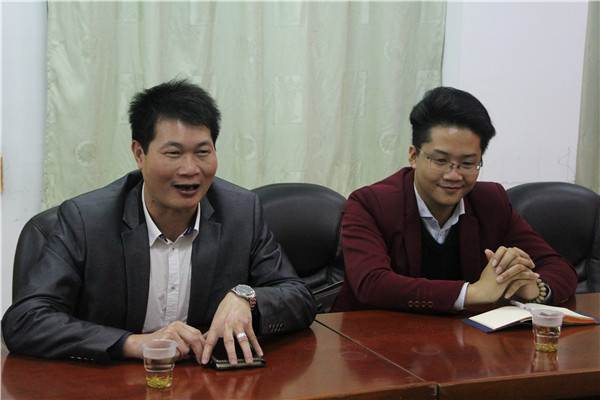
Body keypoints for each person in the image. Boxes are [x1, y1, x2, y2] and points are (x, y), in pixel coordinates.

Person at [2, 79, 317, 365]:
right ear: (139, 154)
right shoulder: (87, 220)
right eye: (174, 153)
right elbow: (25, 321)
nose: (190, 169)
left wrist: (246, 298)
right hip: (112, 383)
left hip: (206, 383)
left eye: (202, 152)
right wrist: (134, 343)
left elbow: (300, 298)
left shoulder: (241, 211)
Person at [331, 87, 577, 313]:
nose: (454, 175)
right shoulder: (370, 204)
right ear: (414, 156)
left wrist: (535, 289)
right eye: (440, 160)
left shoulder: (490, 202)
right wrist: (474, 293)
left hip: (462, 340)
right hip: (373, 339)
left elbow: (558, 267)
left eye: (468, 163)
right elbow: (372, 284)